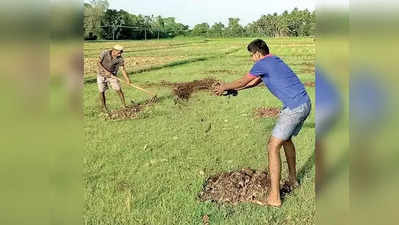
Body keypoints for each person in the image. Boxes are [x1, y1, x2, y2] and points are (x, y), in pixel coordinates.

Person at [215, 39, 311, 207]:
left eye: (252, 56)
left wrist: (224, 86)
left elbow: (243, 80)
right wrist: (234, 89)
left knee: (272, 146)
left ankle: (274, 197)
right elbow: (253, 82)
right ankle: (293, 180)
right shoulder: (274, 60)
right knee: (286, 139)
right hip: (304, 103)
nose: (252, 59)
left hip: (294, 108)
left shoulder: (263, 63)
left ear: (258, 54)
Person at [97, 44, 132, 111]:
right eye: (119, 52)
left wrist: (127, 79)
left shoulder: (120, 59)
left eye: (121, 52)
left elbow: (122, 69)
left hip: (112, 76)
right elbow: (98, 63)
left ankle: (124, 106)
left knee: (118, 89)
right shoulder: (104, 53)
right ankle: (104, 108)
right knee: (101, 91)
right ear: (114, 50)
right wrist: (106, 71)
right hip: (101, 75)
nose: (120, 54)